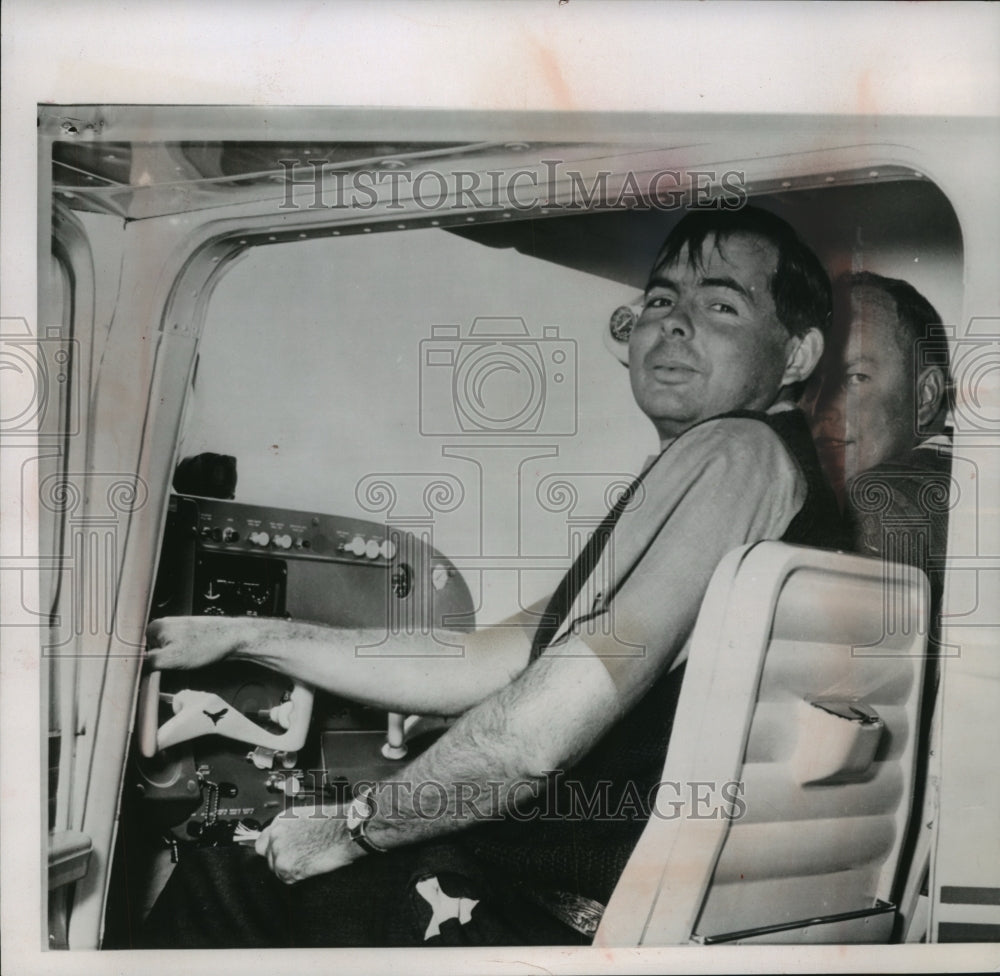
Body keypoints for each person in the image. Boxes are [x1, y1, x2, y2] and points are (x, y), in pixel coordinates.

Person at [141, 206, 842, 948]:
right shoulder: (738, 474)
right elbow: (487, 659)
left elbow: (539, 733)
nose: (674, 323)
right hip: (587, 904)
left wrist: (352, 827)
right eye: (661, 299)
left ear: (796, 355)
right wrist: (246, 636)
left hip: (553, 915)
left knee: (227, 878)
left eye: (722, 304)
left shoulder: (735, 452)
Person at [808, 271, 952, 610]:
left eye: (856, 377)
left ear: (925, 395)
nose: (819, 406)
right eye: (812, 381)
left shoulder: (879, 502)